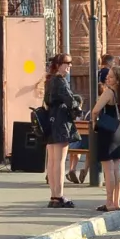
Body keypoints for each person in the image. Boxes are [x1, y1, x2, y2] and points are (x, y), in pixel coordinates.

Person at [86, 65, 120, 212]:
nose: (107, 78)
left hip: (107, 131)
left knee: (108, 169)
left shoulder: (109, 92)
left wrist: (94, 122)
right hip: (118, 130)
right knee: (117, 168)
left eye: (111, 76)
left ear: (117, 80)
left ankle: (109, 202)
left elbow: (95, 110)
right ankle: (116, 202)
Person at [40, 55, 79, 207]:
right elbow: (70, 101)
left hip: (50, 120)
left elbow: (47, 100)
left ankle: (53, 195)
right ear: (58, 65)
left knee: (52, 160)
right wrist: (77, 107)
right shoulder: (60, 81)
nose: (69, 66)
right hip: (61, 121)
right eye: (67, 63)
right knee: (60, 161)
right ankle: (59, 195)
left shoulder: (49, 80)